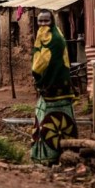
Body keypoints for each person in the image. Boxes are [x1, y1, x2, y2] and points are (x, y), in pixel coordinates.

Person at [31, 9, 78, 165]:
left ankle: (52, 156)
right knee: (45, 118)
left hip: (55, 87)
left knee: (51, 121)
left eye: (47, 21)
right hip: (52, 87)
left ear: (53, 22)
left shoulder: (54, 39)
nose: (43, 24)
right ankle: (44, 156)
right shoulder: (47, 35)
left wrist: (39, 79)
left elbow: (43, 65)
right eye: (40, 21)